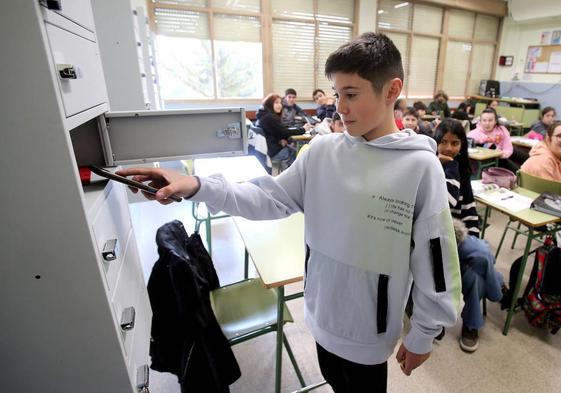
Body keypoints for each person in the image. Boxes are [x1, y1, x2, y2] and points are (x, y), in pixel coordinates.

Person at [117, 32, 461, 393]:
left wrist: (423, 333)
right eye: (337, 94)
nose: (339, 107)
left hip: (370, 336)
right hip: (321, 317)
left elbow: (435, 260)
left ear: (391, 90)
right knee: (333, 380)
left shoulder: (420, 167)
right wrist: (197, 185)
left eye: (352, 95)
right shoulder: (321, 153)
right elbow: (267, 197)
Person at [435, 119, 505, 352]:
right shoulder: (430, 168)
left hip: (459, 235)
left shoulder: (462, 171)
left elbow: (470, 212)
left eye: (455, 143)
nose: (449, 148)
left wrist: (473, 237)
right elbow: (448, 200)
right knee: (483, 252)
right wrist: (446, 166)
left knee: (474, 271)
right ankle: (497, 289)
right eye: (443, 142)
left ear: (463, 145)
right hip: (437, 241)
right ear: (434, 142)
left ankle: (471, 324)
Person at [452, 219, 505, 353]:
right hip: (446, 250)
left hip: (461, 240)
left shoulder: (465, 196)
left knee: (476, 270)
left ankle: (471, 323)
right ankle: (498, 286)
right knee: (476, 273)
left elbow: (473, 225)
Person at [256, 93, 311, 170]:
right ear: (269, 104)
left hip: (268, 148)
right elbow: (283, 132)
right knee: (299, 152)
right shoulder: (269, 117)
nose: (280, 105)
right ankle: (290, 177)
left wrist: (281, 139)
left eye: (280, 103)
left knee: (292, 146)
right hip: (272, 152)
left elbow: (279, 131)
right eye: (276, 103)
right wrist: (303, 129)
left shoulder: (263, 115)